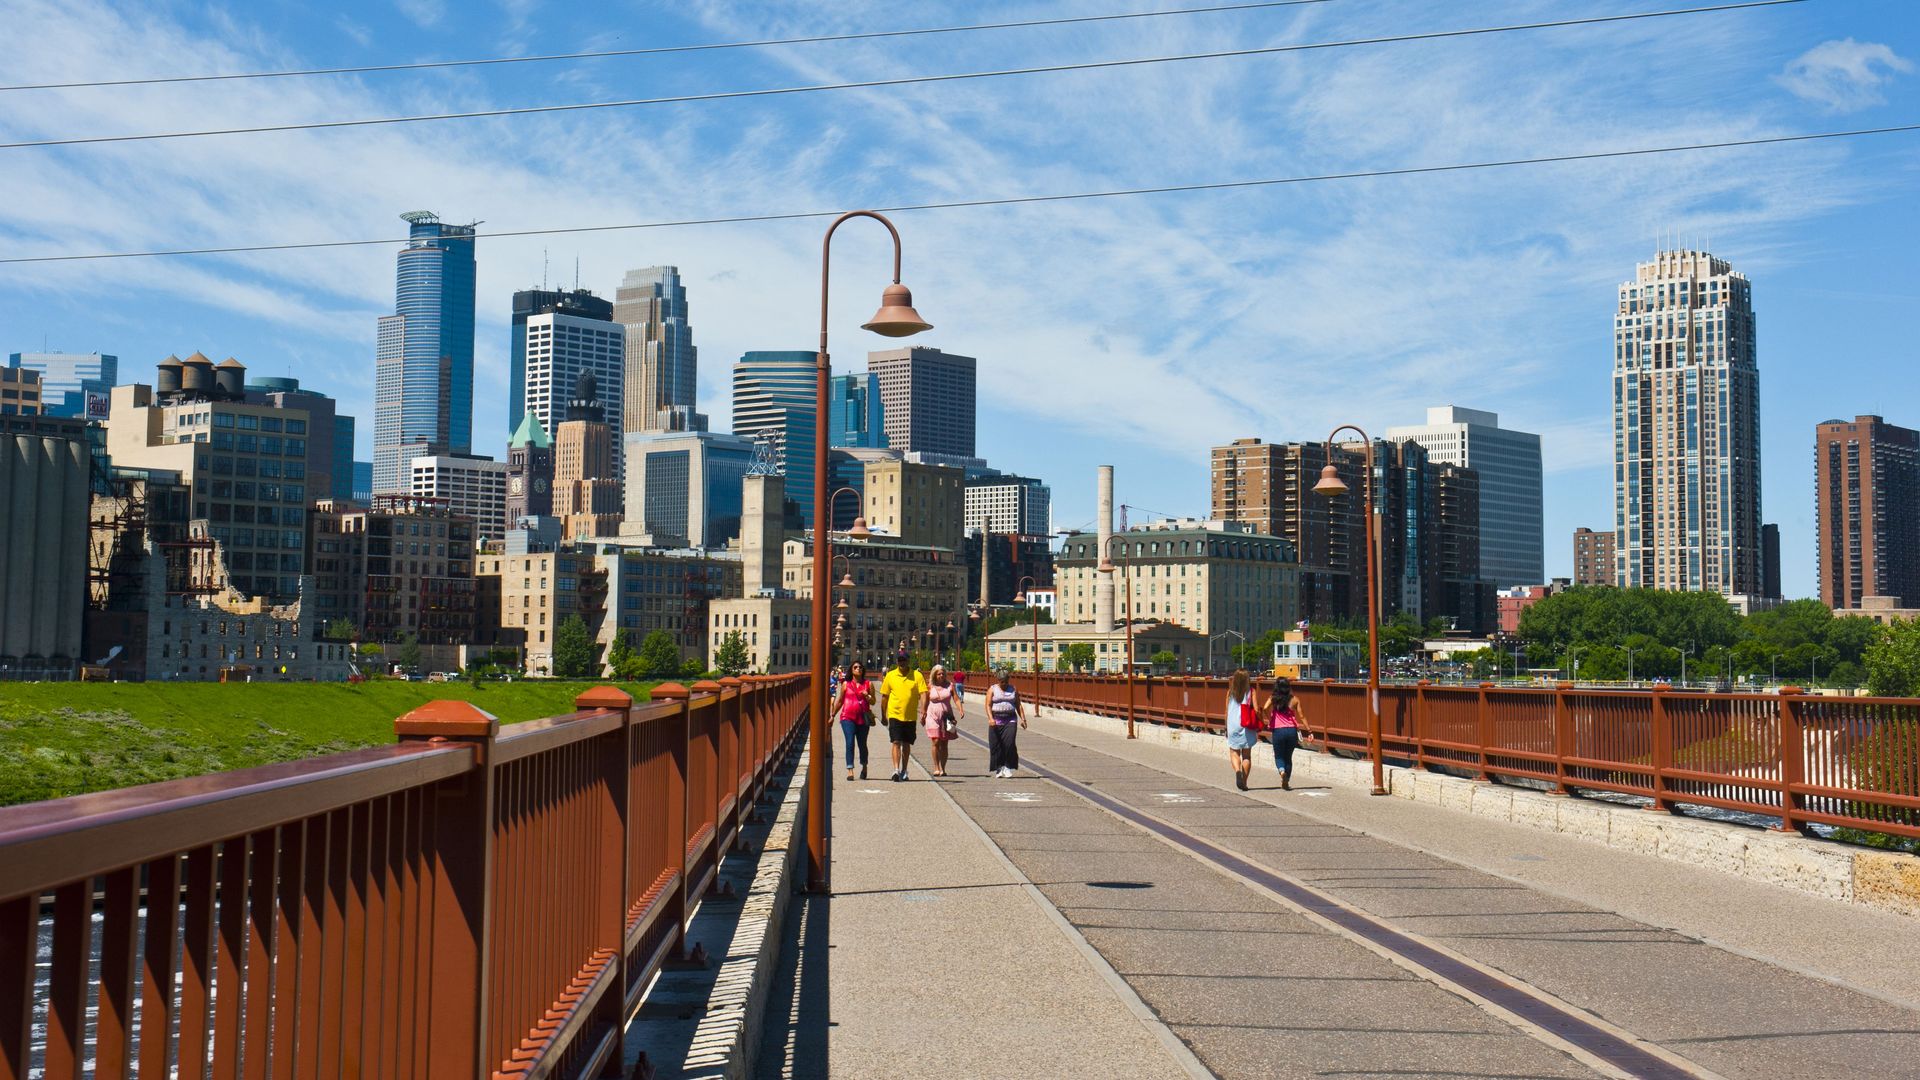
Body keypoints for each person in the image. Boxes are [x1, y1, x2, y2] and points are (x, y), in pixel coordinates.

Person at [878, 649, 927, 782]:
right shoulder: (890, 675)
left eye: (904, 659)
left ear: (908, 660)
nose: (902, 662)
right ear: (897, 661)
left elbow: (923, 694)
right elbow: (884, 696)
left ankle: (904, 770)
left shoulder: (917, 675)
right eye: (899, 660)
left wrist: (923, 710)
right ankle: (896, 770)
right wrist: (883, 715)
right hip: (895, 714)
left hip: (910, 716)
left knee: (906, 744)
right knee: (895, 741)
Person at [832, 661, 876, 781]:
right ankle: (850, 770)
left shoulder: (868, 684)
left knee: (862, 744)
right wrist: (832, 715)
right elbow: (840, 701)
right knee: (850, 742)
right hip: (847, 717)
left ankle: (864, 766)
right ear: (851, 670)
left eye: (860, 667)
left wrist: (868, 696)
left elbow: (873, 702)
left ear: (863, 670)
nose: (858, 669)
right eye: (855, 667)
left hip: (863, 718)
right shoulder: (846, 684)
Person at [1262, 677, 1307, 790]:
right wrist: (1309, 730)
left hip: (1278, 730)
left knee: (1279, 756)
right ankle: (1287, 781)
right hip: (1292, 730)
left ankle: (1282, 772)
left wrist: (1269, 719)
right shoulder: (1295, 699)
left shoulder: (1273, 698)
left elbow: (1265, 708)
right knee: (1288, 757)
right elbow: (1302, 716)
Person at [921, 665, 963, 777]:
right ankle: (936, 767)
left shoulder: (950, 685)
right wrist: (923, 713)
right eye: (939, 674)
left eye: (943, 674)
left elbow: (956, 699)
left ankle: (943, 768)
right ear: (935, 674)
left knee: (944, 743)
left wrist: (960, 710)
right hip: (932, 716)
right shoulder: (930, 686)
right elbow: (925, 700)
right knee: (935, 741)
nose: (941, 676)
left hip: (947, 717)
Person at [986, 667, 1026, 777]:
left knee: (1009, 743)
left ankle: (1008, 766)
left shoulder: (1013, 689)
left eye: (1006, 682)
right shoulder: (992, 689)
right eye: (1002, 682)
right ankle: (999, 768)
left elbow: (1018, 704)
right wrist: (990, 718)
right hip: (996, 719)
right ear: (998, 680)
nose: (1004, 684)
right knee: (996, 745)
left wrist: (1023, 719)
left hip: (1010, 719)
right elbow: (988, 705)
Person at [1224, 669, 1257, 790]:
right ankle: (1244, 782)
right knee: (1247, 756)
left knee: (1234, 752)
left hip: (1232, 724)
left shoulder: (1230, 692)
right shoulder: (1251, 691)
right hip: (1246, 725)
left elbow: (1226, 712)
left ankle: (1237, 771)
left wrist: (1225, 727)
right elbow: (1257, 709)